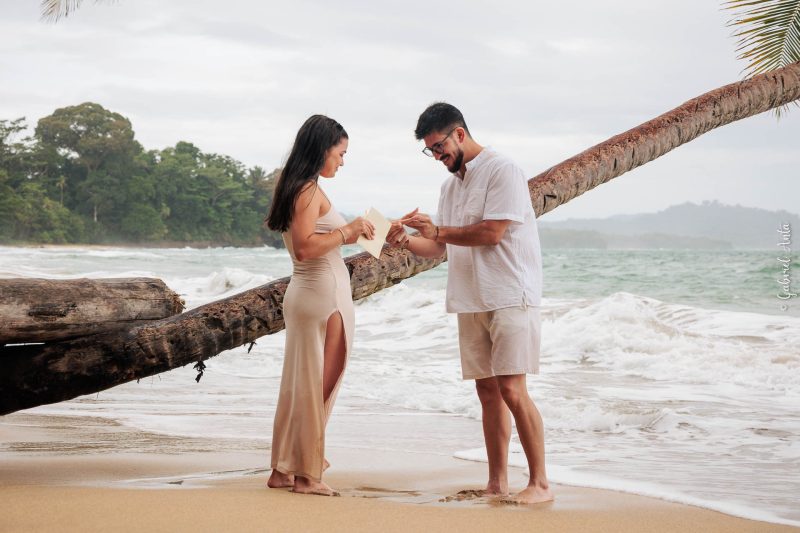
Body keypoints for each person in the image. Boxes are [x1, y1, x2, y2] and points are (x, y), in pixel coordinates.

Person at [387, 102, 553, 504]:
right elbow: (438, 247)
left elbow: (492, 233)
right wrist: (404, 241)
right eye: (429, 150)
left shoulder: (503, 170)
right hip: (471, 297)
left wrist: (438, 230)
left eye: (439, 147)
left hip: (511, 293)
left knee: (512, 389)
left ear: (459, 134)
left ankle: (540, 484)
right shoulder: (450, 186)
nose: (436, 156)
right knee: (487, 392)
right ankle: (497, 483)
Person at [264, 114, 374, 496]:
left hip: (309, 295)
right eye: (340, 153)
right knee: (319, 385)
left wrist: (380, 230)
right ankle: (307, 476)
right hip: (323, 297)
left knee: (300, 384)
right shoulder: (308, 192)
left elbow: (318, 239)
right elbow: (306, 247)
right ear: (322, 149)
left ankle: (284, 468)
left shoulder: (294, 185)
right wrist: (347, 231)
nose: (342, 161)